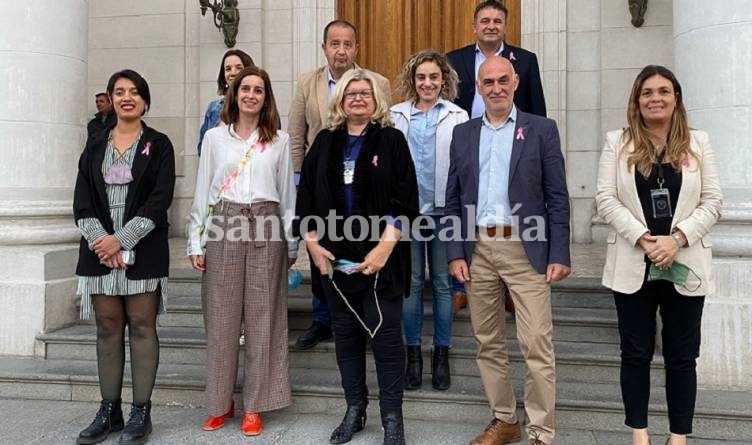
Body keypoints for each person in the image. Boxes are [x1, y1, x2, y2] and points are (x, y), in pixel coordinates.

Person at [445, 56, 570, 445]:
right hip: (478, 247)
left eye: (503, 80)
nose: (496, 88)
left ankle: (541, 431)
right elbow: (453, 200)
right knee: (487, 341)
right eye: (488, 82)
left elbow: (557, 196)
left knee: (535, 342)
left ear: (515, 82)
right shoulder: (463, 134)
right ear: (478, 87)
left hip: (525, 246)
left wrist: (560, 252)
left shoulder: (541, 130)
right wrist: (455, 252)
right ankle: (504, 419)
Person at [595, 65, 722, 445]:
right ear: (637, 100)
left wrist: (677, 239)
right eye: (647, 92)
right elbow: (606, 199)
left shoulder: (699, 143)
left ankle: (678, 435)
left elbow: (713, 202)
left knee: (682, 357)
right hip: (634, 261)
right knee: (635, 353)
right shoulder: (617, 142)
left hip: (684, 262)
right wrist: (644, 239)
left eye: (663, 91)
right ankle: (640, 433)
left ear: (676, 98)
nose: (655, 98)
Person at [294, 68, 418, 445]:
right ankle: (355, 409)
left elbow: (407, 200)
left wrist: (384, 248)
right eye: (351, 94)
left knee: (386, 340)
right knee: (346, 340)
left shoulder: (392, 141)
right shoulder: (324, 143)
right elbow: (306, 201)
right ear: (340, 101)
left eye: (365, 93)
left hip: (382, 261)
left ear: (376, 100)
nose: (359, 98)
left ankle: (392, 419)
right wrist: (313, 245)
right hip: (335, 264)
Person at [187, 66, 296, 437]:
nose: (251, 95)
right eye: (245, 88)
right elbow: (204, 190)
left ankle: (254, 406)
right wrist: (195, 239)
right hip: (225, 221)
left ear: (267, 98)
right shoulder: (216, 139)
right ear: (234, 94)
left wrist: (292, 240)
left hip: (266, 223)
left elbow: (287, 194)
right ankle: (220, 403)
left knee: (263, 318)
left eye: (259, 90)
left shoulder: (279, 140)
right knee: (222, 319)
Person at [74, 69, 176, 445]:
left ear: (145, 100)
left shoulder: (159, 144)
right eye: (119, 92)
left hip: (143, 247)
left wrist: (123, 240)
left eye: (134, 92)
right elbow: (82, 200)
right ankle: (109, 410)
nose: (126, 97)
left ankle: (141, 412)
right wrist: (104, 241)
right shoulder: (95, 146)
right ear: (111, 99)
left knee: (141, 323)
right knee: (107, 326)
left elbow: (159, 199)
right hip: (99, 251)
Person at [288, 19, 392, 350]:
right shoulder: (308, 83)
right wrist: (298, 180)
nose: (341, 50)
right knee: (322, 249)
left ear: (356, 48)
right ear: (324, 48)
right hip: (319, 184)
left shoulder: (376, 83)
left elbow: (385, 124)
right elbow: (296, 135)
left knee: (359, 246)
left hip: (363, 184)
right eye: (335, 44)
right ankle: (322, 319)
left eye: (348, 44)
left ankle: (363, 315)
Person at [390, 50, 468, 391]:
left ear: (443, 80)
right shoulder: (395, 115)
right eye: (421, 77)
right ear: (412, 79)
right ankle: (413, 354)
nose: (427, 83)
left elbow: (464, 167)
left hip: (442, 212)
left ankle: (441, 353)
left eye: (434, 77)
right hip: (407, 213)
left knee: (441, 282)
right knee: (411, 284)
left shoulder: (458, 115)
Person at [447, 0, 546, 119]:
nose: (491, 26)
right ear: (474, 27)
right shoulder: (453, 60)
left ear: (505, 28)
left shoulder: (526, 60)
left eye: (497, 21)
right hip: (466, 134)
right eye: (485, 21)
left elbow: (537, 108)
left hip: (514, 134)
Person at [196, 49, 255, 156]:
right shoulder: (213, 108)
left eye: (239, 68)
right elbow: (202, 149)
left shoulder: (263, 106)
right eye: (228, 69)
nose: (233, 73)